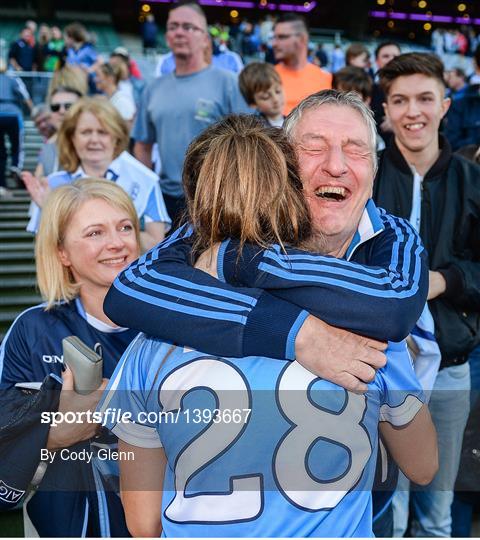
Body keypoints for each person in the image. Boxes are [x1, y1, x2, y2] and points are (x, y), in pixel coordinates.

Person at [100, 115, 436, 537]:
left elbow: (143, 522)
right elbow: (423, 467)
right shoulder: (365, 332)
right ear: (290, 189)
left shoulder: (151, 336)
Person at [374, 52, 480, 537]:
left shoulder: (471, 180)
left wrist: (446, 281)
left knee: (436, 505)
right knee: (382, 500)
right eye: (400, 100)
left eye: (424, 98)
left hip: (452, 364)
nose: (412, 111)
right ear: (385, 110)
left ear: (445, 104)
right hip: (375, 366)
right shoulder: (364, 176)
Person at [0, 179, 140, 536]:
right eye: (95, 233)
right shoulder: (33, 330)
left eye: (125, 227)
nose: (116, 242)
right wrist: (53, 432)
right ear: (62, 252)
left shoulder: (172, 327)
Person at [133, 1, 250, 226]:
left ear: (205, 38)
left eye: (188, 27)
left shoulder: (228, 83)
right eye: (173, 26)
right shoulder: (153, 89)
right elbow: (142, 145)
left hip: (217, 199)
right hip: (168, 199)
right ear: (166, 36)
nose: (179, 33)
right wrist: (150, 192)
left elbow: (248, 143)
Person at [22, 97, 170, 250]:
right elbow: (46, 250)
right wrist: (51, 212)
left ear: (116, 137)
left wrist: (113, 223)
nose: (94, 140)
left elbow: (155, 244)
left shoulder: (144, 180)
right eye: (86, 132)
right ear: (72, 138)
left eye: (103, 132)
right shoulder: (53, 185)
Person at [272, 14, 332, 115]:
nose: (274, 43)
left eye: (282, 37)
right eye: (274, 37)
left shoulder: (326, 78)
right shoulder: (267, 78)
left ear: (302, 39)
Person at [34, 86, 83, 178]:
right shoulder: (48, 147)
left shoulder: (95, 145)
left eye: (68, 106)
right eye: (55, 107)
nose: (61, 111)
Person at [0, 58, 32, 197]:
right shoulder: (13, 78)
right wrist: (34, 112)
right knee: (17, 145)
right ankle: (15, 166)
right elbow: (25, 96)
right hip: (13, 113)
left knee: (0, 151)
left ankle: (2, 183)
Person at [239, 62, 285, 127]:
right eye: (265, 97)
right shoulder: (255, 129)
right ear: (253, 103)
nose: (276, 99)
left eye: (278, 91)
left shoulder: (292, 121)